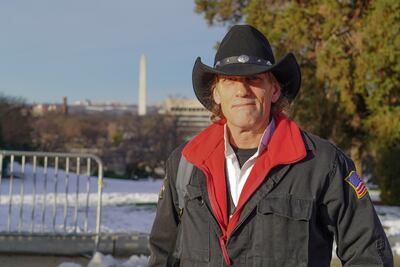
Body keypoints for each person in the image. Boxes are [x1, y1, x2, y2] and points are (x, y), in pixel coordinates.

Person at [148, 25, 393, 267]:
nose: (241, 90)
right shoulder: (185, 163)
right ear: (216, 93)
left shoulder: (323, 165)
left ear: (274, 90)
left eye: (253, 78)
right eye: (230, 80)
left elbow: (369, 255)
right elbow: (163, 256)